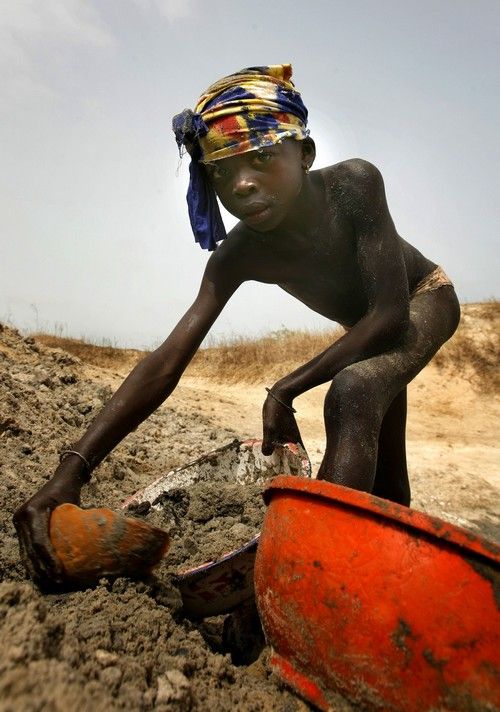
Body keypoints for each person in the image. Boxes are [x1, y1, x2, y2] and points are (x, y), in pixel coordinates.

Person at [14, 64, 460, 588]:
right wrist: (68, 475)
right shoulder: (239, 254)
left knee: (354, 391)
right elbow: (164, 363)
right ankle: (393, 575)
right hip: (367, 331)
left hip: (419, 299)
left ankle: (304, 579)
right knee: (385, 482)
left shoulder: (354, 186)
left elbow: (387, 316)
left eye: (263, 158)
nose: (242, 183)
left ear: (306, 154)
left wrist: (285, 389)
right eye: (222, 172)